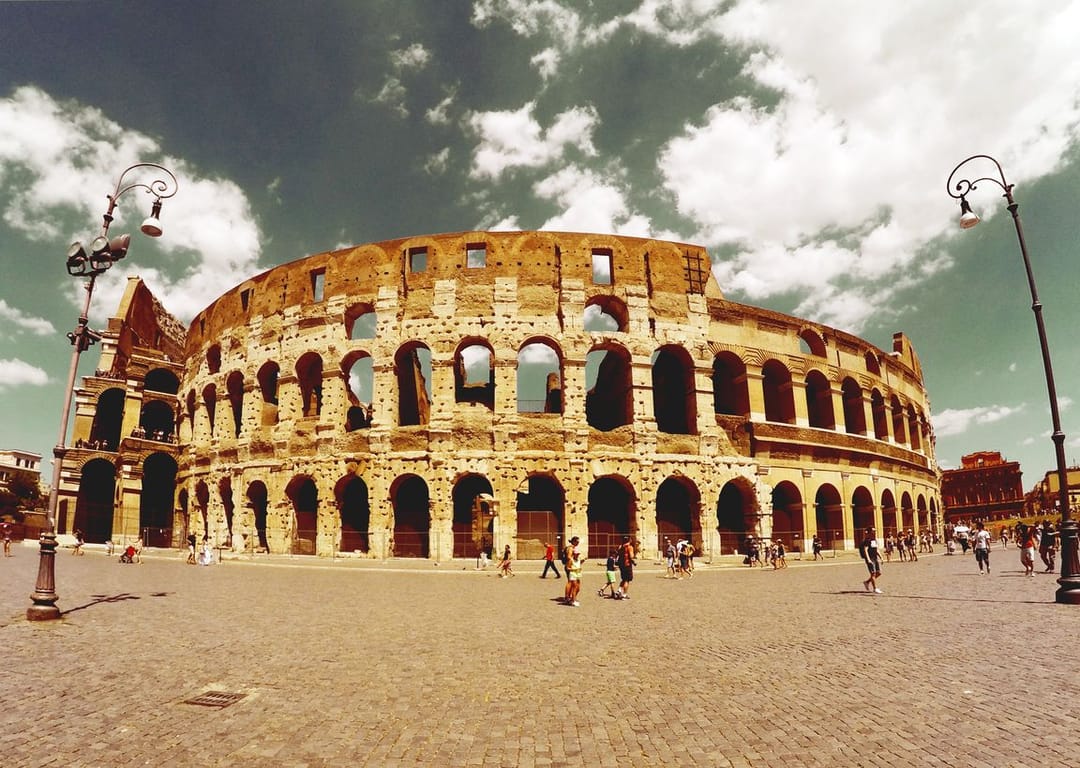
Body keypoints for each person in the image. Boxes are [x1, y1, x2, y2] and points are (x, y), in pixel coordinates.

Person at [859, 528, 882, 593]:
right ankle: (875, 588)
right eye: (873, 531)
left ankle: (867, 582)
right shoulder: (867, 540)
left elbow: (876, 549)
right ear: (870, 532)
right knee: (873, 573)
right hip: (870, 558)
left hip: (875, 558)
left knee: (879, 573)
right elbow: (865, 550)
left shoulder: (874, 540)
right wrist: (868, 559)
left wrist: (881, 557)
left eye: (875, 531)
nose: (874, 532)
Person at [564, 536, 583, 606]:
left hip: (573, 566)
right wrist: (574, 561)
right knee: (570, 582)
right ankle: (567, 597)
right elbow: (569, 557)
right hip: (570, 566)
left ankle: (571, 597)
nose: (578, 543)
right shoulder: (570, 548)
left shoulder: (573, 548)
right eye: (577, 542)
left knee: (573, 583)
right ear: (574, 541)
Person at [616, 535, 635, 599]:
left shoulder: (620, 546)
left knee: (623, 579)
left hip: (621, 565)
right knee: (627, 580)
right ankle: (624, 594)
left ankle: (619, 590)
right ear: (629, 540)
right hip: (627, 564)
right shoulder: (629, 547)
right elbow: (631, 556)